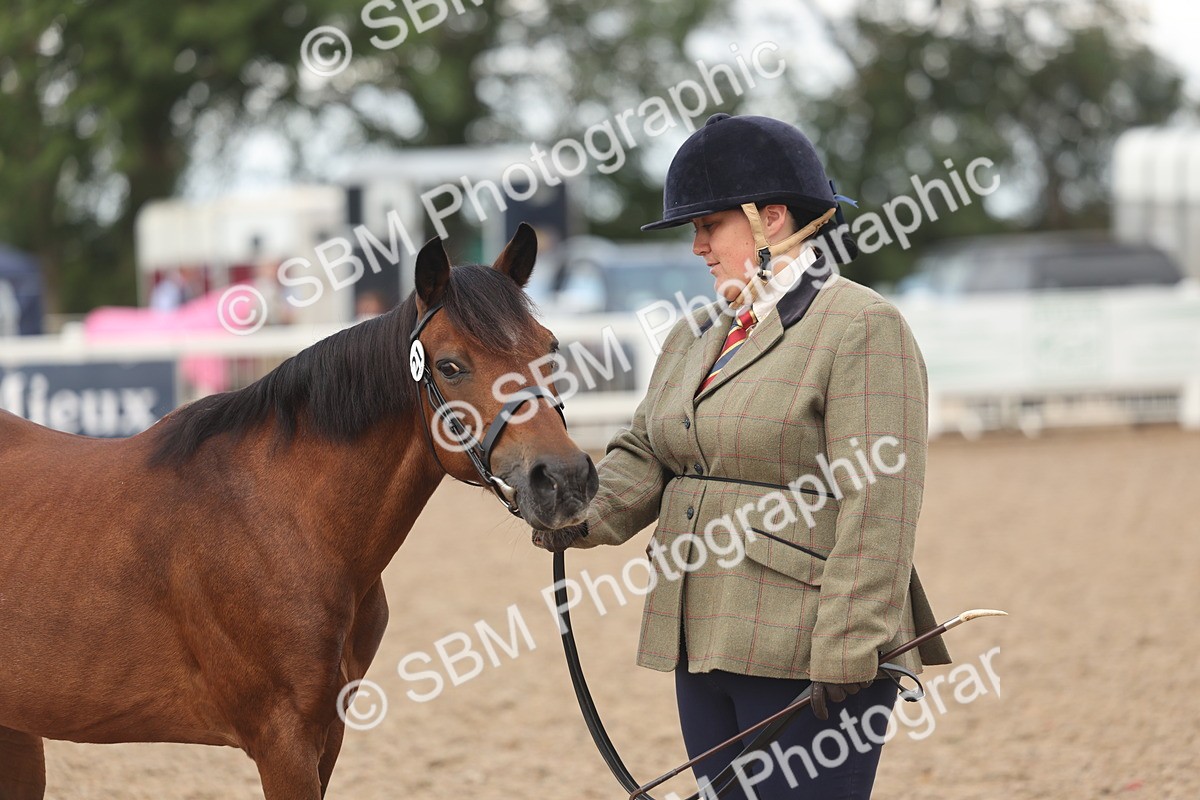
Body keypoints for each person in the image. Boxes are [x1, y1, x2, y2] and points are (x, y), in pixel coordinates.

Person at [532, 113, 951, 799]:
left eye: (709, 227)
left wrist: (850, 637)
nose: (697, 247)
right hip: (700, 635)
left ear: (773, 219)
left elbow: (882, 500)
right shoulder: (694, 336)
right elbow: (647, 452)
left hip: (807, 643)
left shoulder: (861, 327)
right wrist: (576, 514)